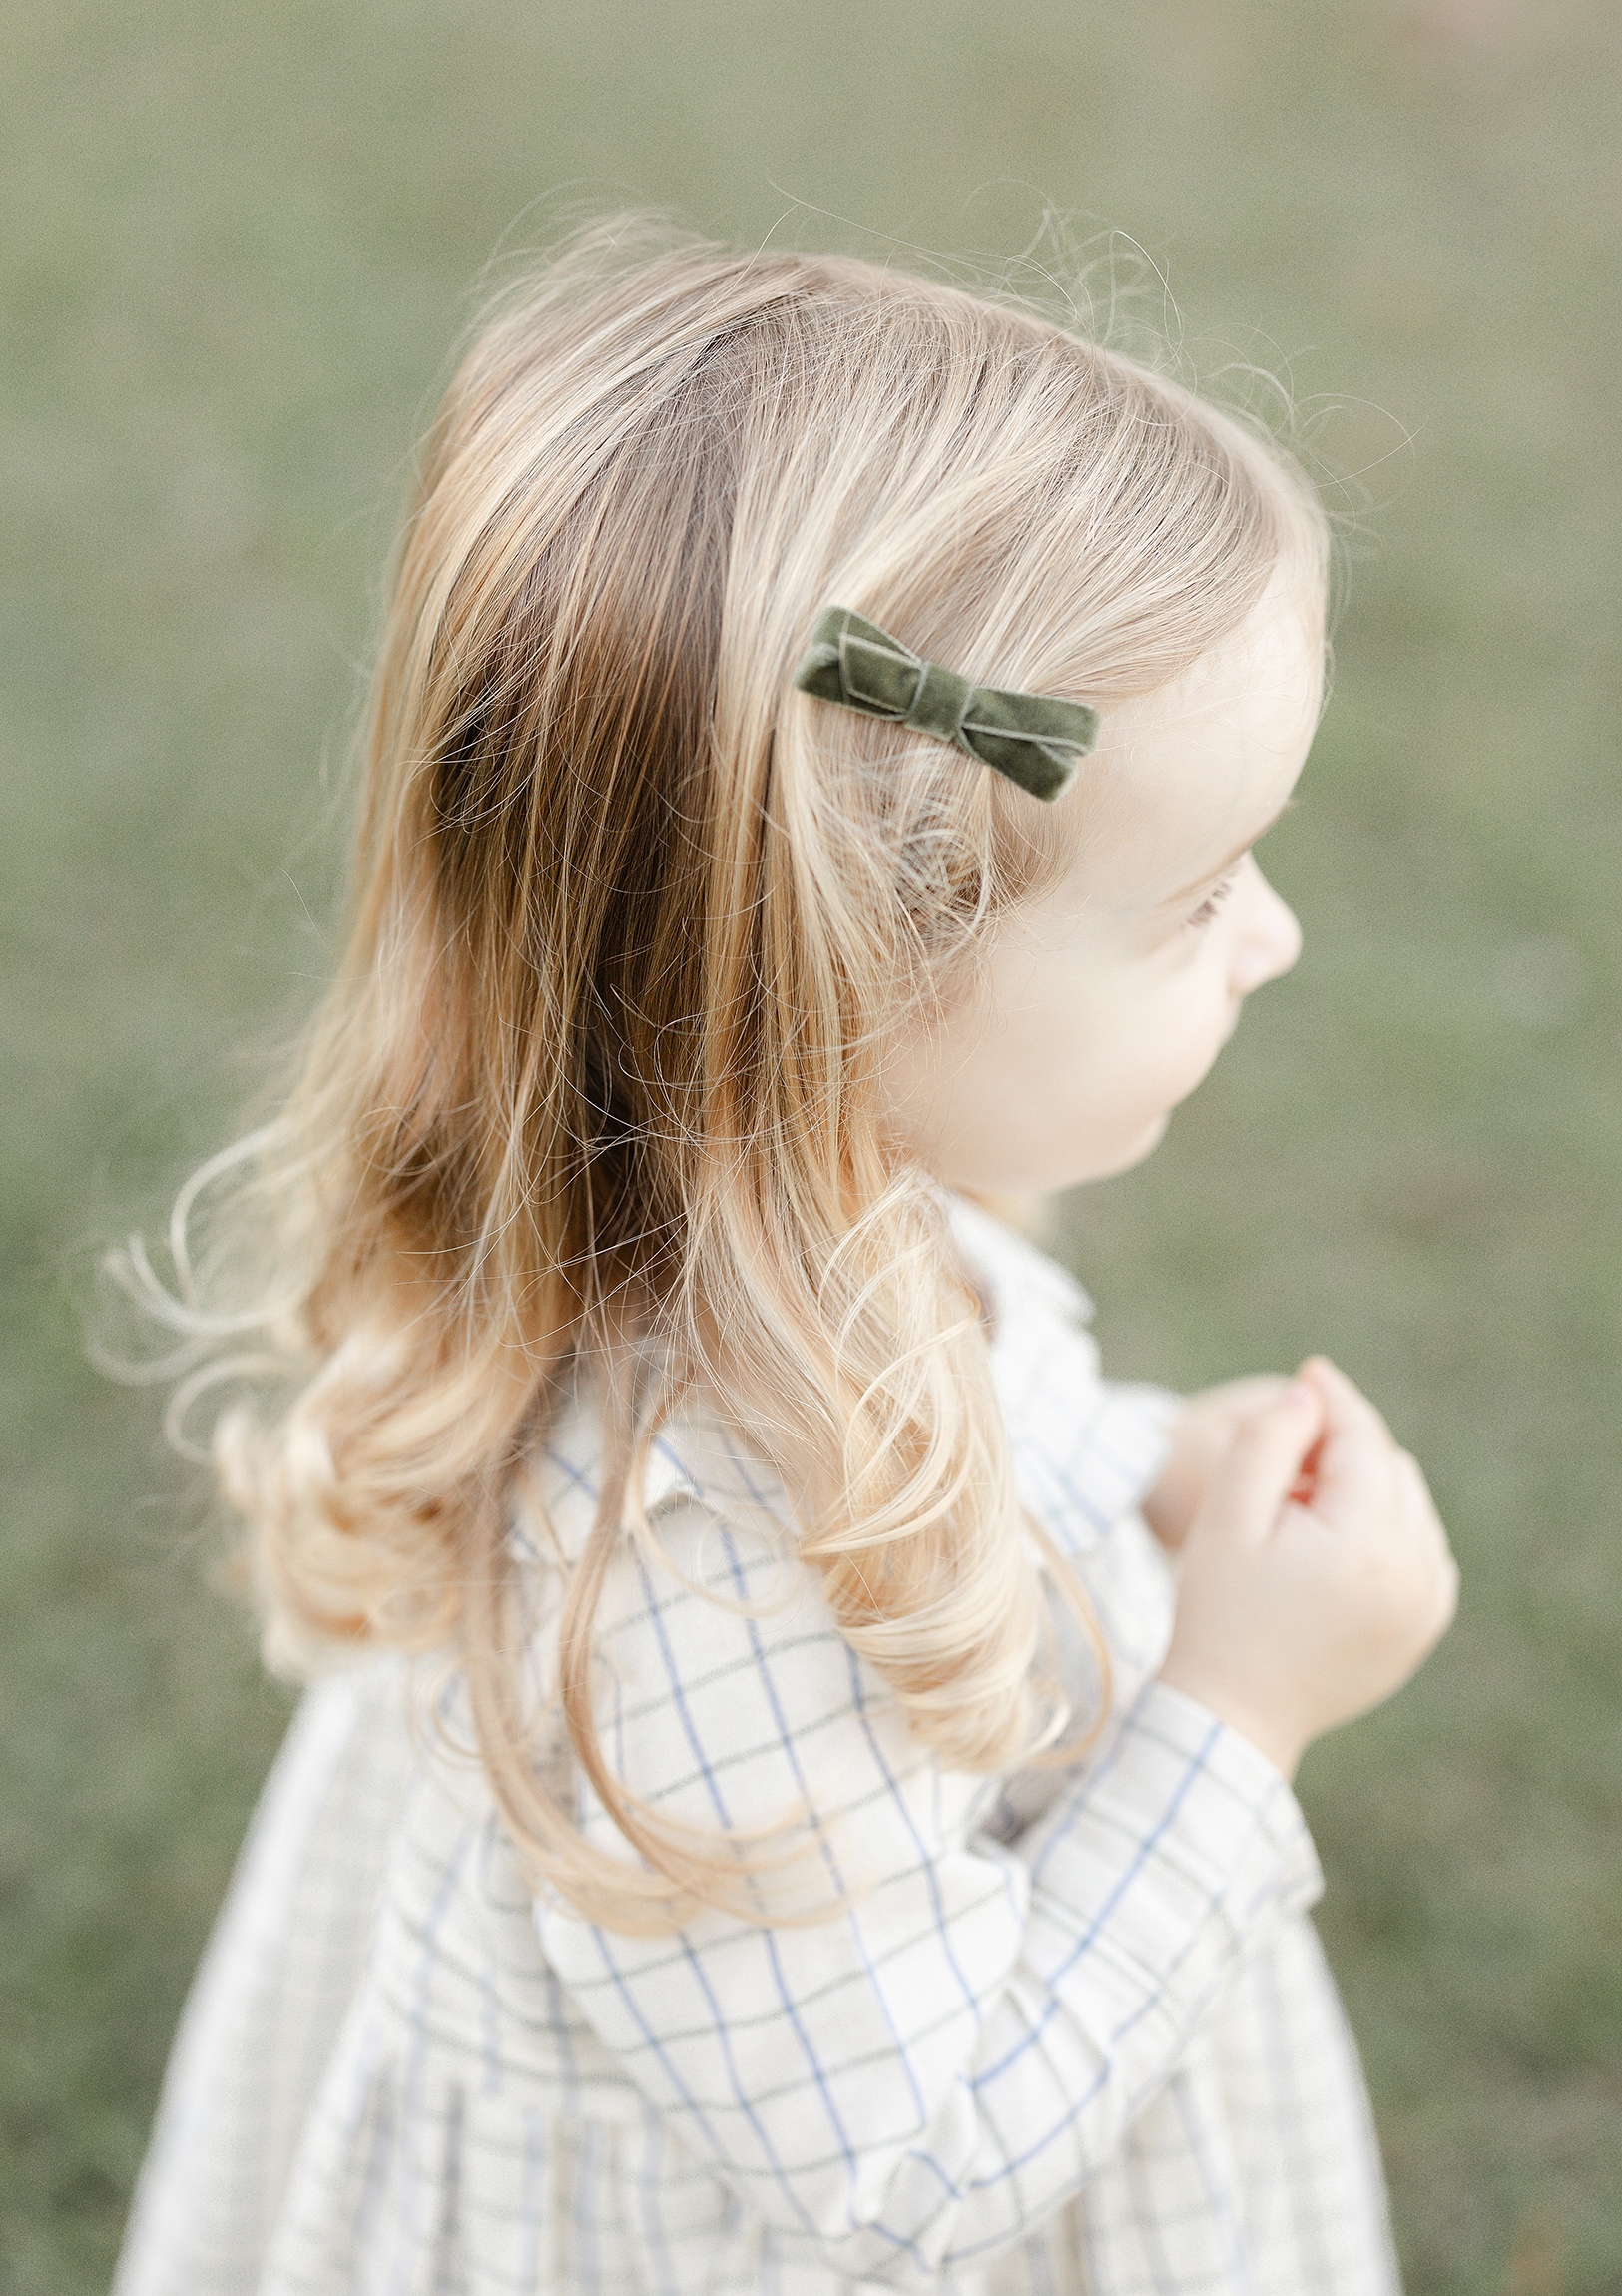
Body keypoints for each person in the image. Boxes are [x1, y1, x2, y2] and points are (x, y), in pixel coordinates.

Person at [111, 219, 1458, 2296]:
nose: (1276, 938)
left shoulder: (807, 1222)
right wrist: (1238, 1703)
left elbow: (961, 1425)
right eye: (1197, 900)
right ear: (852, 973)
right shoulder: (691, 1556)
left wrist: (1135, 1467)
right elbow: (900, 2180)